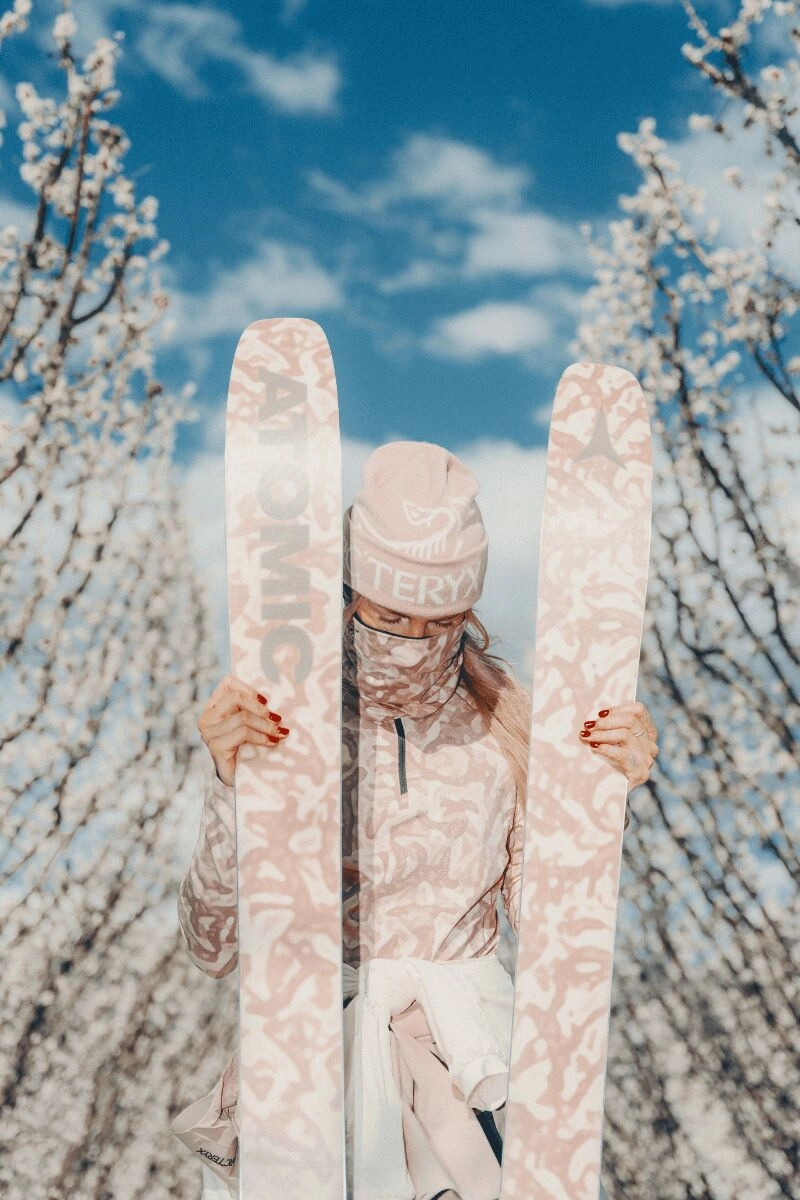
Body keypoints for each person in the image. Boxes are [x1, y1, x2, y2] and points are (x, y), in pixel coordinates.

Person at [177, 441, 658, 1200]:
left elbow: (556, 933)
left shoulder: (509, 721)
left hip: (472, 1076)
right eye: (389, 614)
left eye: (439, 620)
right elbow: (213, 946)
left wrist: (599, 801)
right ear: (348, 591)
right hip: (309, 1072)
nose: (412, 640)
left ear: (467, 610)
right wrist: (230, 786)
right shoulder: (282, 711)